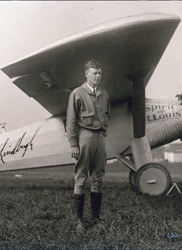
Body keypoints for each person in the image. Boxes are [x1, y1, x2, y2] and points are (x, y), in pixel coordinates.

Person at [66, 60, 111, 234]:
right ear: (86, 74)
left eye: (99, 73)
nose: (98, 76)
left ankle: (96, 219)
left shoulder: (104, 94)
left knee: (98, 179)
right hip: (84, 137)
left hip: (100, 137)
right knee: (81, 178)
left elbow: (107, 115)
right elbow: (70, 121)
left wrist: (103, 133)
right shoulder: (77, 94)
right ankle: (79, 221)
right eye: (94, 73)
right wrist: (73, 144)